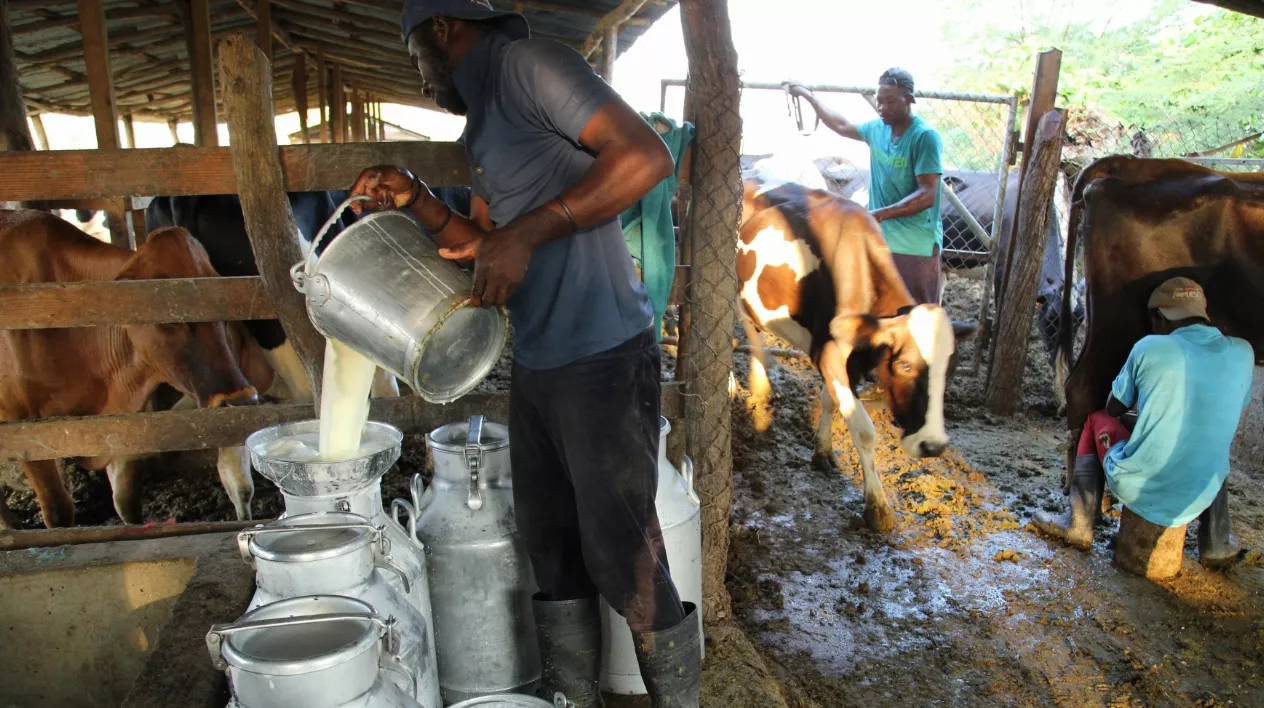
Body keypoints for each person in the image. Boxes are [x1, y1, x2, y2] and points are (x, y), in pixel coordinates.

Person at [348, 2, 698, 706]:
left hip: (603, 353)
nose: (421, 81)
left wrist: (532, 231)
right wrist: (415, 199)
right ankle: (571, 698)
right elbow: (490, 244)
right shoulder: (482, 127)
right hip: (539, 363)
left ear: (445, 28)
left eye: (416, 58)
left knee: (620, 550)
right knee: (552, 550)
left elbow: (646, 158)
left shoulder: (531, 67)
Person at [1031, 278, 1254, 569]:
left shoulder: (1150, 347)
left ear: (1159, 317)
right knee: (1211, 448)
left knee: (1095, 420)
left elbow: (1114, 407)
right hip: (1204, 492)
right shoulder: (1243, 352)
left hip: (1140, 487)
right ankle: (1217, 544)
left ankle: (1078, 522)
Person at [787, 69, 945, 304]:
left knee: (917, 316)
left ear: (909, 99)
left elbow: (927, 195)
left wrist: (877, 214)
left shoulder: (924, 137)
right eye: (880, 101)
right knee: (880, 311)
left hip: (915, 244)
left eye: (891, 100)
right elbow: (841, 125)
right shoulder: (877, 130)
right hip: (880, 238)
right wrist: (810, 97)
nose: (883, 107)